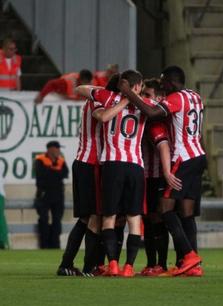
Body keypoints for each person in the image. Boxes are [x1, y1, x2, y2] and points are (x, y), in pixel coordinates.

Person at [119, 66, 204, 277]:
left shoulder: (175, 98)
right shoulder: (196, 97)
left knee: (165, 209)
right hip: (199, 154)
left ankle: (189, 256)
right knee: (186, 213)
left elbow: (151, 111)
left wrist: (129, 93)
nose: (162, 85)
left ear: (171, 82)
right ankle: (192, 266)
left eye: (163, 81)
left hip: (182, 157)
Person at [77, 70, 155, 277]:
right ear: (138, 86)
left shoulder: (107, 96)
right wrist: (132, 95)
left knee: (109, 217)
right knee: (134, 218)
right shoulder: (146, 103)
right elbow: (157, 112)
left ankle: (112, 264)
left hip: (112, 165)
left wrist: (121, 93)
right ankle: (129, 267)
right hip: (136, 166)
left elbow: (81, 89)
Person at [56, 74, 128, 276]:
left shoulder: (96, 97)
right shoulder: (101, 100)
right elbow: (104, 116)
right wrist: (126, 100)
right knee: (95, 217)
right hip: (92, 163)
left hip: (84, 162)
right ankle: (89, 267)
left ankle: (69, 264)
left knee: (87, 218)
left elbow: (80, 88)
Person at [139, 78, 172, 276]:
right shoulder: (143, 119)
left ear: (160, 98)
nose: (143, 100)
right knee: (148, 219)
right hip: (144, 175)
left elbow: (164, 146)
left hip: (158, 175)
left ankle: (162, 264)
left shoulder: (159, 121)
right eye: (142, 95)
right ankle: (151, 264)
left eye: (148, 96)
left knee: (158, 219)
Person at [34, 141, 69, 249]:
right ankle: (44, 245)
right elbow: (41, 174)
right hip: (44, 194)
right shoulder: (40, 160)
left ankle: (55, 245)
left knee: (57, 220)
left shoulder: (61, 161)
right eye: (57, 148)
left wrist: (51, 172)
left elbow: (65, 174)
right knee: (44, 219)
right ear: (50, 149)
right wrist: (55, 174)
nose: (58, 151)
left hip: (58, 195)